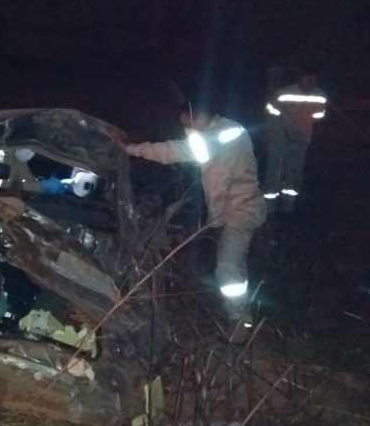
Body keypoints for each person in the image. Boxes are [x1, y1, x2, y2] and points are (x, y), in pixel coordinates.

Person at [125, 99, 266, 340]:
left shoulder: (216, 138)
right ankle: (239, 318)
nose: (185, 129)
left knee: (228, 268)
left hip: (240, 210)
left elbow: (213, 179)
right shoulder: (228, 130)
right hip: (243, 207)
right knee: (234, 265)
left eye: (186, 123)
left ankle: (241, 326)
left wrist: (215, 218)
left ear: (197, 116)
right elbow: (181, 152)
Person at [262, 64, 328, 215]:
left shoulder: (321, 96)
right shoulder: (283, 93)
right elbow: (271, 111)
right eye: (307, 78)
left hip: (301, 137)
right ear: (301, 78)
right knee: (275, 168)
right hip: (280, 135)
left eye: (313, 80)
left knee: (295, 169)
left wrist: (307, 123)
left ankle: (288, 204)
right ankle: (269, 206)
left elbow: (320, 115)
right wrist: (271, 130)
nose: (310, 82)